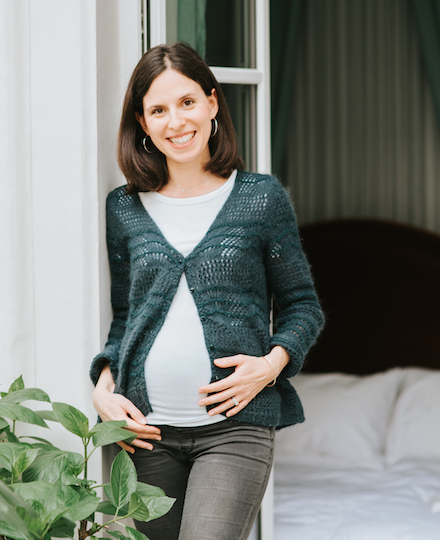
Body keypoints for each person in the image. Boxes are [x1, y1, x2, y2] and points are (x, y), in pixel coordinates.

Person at [90, 42, 324, 540]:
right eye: (158, 109)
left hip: (234, 430)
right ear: (143, 122)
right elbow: (126, 318)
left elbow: (302, 307)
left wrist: (269, 366)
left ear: (212, 103)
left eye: (187, 102)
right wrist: (103, 389)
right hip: (141, 435)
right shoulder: (125, 208)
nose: (176, 121)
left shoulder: (261, 198)